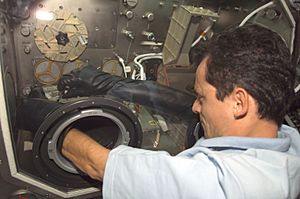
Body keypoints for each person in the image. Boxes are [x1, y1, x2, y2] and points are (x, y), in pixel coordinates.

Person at [61, 24, 300, 198]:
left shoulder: (216, 185)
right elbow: (182, 103)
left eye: (201, 98)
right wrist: (109, 83)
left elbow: (97, 164)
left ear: (239, 103)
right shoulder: (290, 142)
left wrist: (51, 120)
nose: (196, 107)